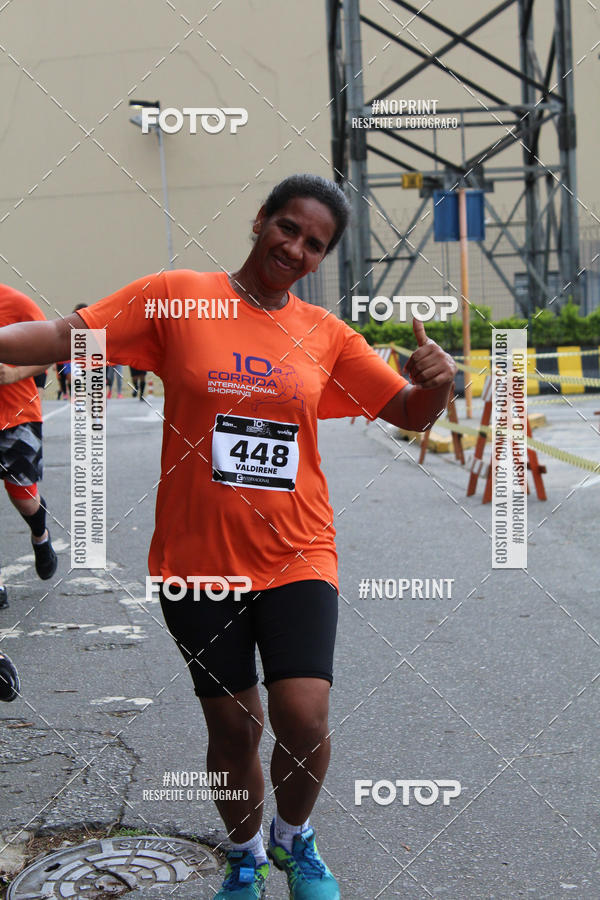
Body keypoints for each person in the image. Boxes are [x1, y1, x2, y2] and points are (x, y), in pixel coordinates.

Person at [0, 174, 456, 899]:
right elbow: (63, 336)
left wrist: (440, 382)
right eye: (289, 229)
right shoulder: (178, 297)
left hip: (298, 549)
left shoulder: (325, 334)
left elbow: (407, 409)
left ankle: (294, 840)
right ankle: (244, 854)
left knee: (302, 715)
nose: (297, 248)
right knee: (236, 728)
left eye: (315, 244)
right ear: (260, 221)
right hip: (195, 557)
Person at [0, 284, 58, 611]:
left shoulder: (17, 304)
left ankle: (41, 535)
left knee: (23, 496)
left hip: (16, 416)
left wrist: (15, 372)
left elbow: (49, 352)